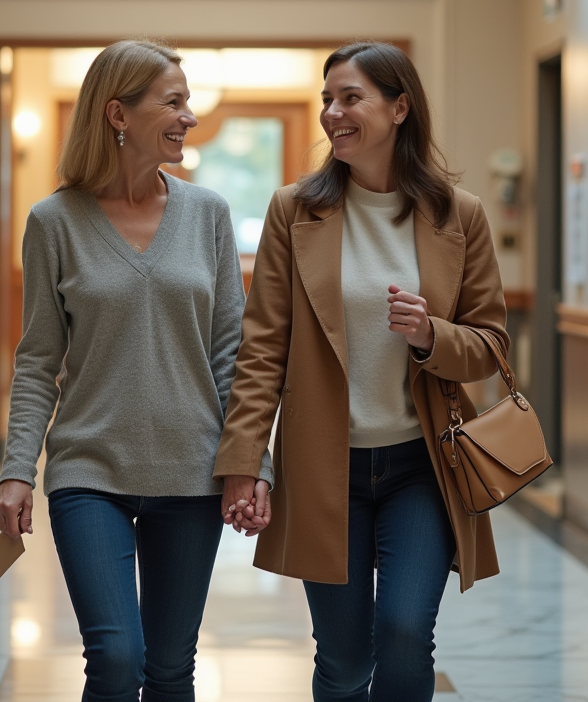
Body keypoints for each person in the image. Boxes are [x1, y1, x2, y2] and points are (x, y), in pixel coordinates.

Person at [214, 41, 509, 702]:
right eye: (327, 100)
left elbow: (491, 345)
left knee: (407, 633)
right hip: (326, 469)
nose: (332, 113)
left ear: (400, 107)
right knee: (344, 661)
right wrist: (245, 461)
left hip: (424, 466)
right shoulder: (296, 211)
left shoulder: (459, 217)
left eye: (350, 97)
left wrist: (433, 335)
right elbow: (263, 346)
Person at [0, 39, 271, 702]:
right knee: (116, 658)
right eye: (173, 102)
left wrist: (251, 463)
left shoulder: (210, 215)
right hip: (91, 473)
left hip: (191, 474)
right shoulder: (54, 222)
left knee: (171, 669)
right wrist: (15, 469)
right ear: (119, 114)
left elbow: (233, 351)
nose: (190, 116)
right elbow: (37, 360)